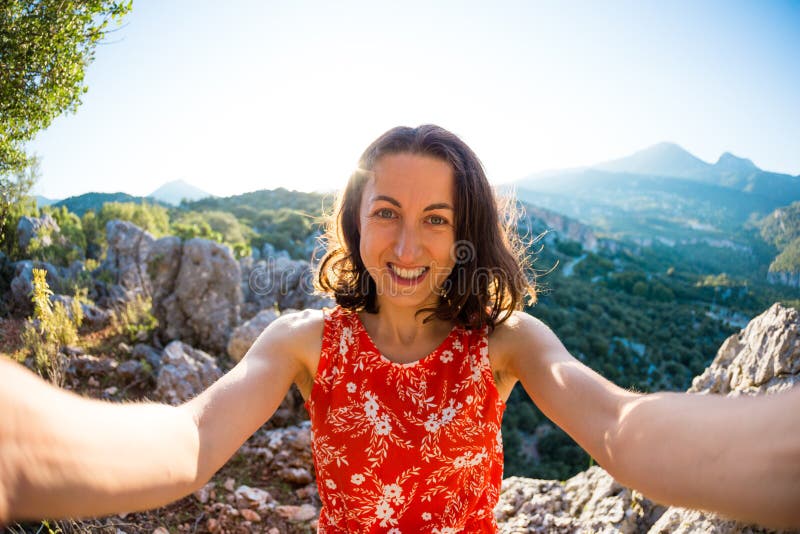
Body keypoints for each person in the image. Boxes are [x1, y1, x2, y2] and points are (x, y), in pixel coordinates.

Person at [1, 124, 799, 531]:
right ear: (356, 222)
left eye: (435, 219)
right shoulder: (302, 342)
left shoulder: (506, 342)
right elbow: (188, 443)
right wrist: (25, 441)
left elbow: (623, 430)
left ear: (463, 235)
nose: (408, 246)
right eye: (386, 213)